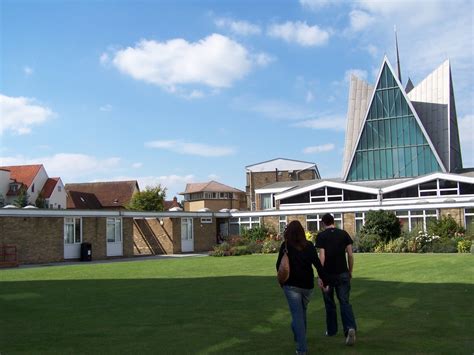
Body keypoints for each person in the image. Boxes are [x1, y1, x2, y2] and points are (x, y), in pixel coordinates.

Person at [276, 220, 328, 355]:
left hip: (291, 286)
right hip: (307, 286)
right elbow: (318, 265)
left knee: (297, 317)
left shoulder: (285, 246)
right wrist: (325, 281)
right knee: (301, 313)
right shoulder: (309, 246)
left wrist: (281, 281)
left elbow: (279, 266)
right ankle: (300, 337)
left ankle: (301, 349)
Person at [316, 213, 357, 346]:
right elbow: (350, 255)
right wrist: (350, 271)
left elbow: (322, 257)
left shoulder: (321, 236)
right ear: (334, 221)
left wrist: (320, 276)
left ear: (323, 223)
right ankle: (349, 327)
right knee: (344, 302)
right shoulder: (344, 234)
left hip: (328, 274)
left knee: (329, 304)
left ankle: (331, 330)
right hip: (343, 273)